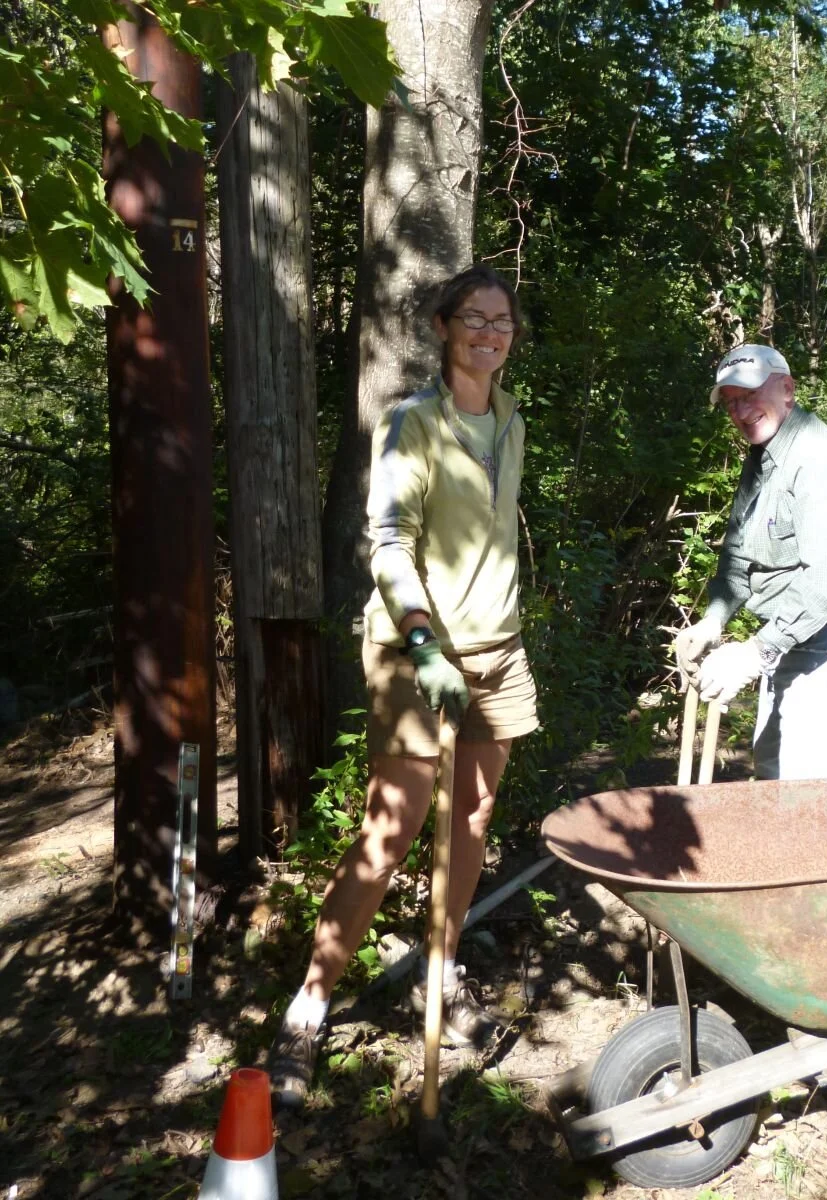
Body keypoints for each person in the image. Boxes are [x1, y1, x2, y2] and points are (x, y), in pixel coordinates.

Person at [268, 264, 539, 1108]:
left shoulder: (511, 420)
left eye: (501, 322)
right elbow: (389, 542)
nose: (488, 333)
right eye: (473, 319)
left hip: (498, 651)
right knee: (393, 831)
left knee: (474, 820)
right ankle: (305, 1011)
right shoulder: (411, 423)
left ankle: (441, 972)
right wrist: (424, 643)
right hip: (419, 652)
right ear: (443, 326)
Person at [674, 344, 827, 780]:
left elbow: (825, 584)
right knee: (775, 784)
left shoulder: (820, 458)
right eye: (730, 403)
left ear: (788, 389)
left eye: (749, 395)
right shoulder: (764, 459)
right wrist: (713, 622)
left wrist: (754, 652)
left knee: (801, 803)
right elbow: (738, 556)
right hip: (790, 643)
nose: (741, 411)